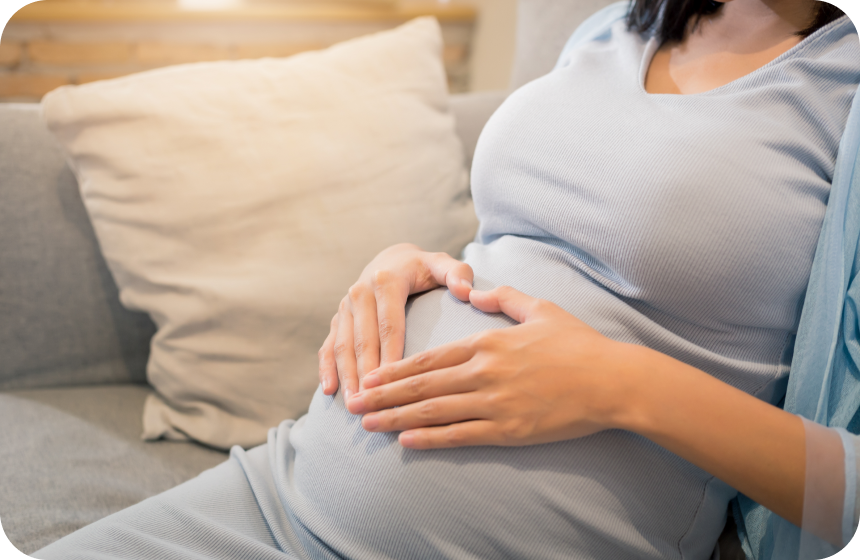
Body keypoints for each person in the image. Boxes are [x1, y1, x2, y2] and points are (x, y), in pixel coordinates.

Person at [35, 1, 859, 559]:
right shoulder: (613, 28)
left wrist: (621, 385)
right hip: (280, 494)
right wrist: (407, 262)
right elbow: (540, 240)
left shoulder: (839, 82)